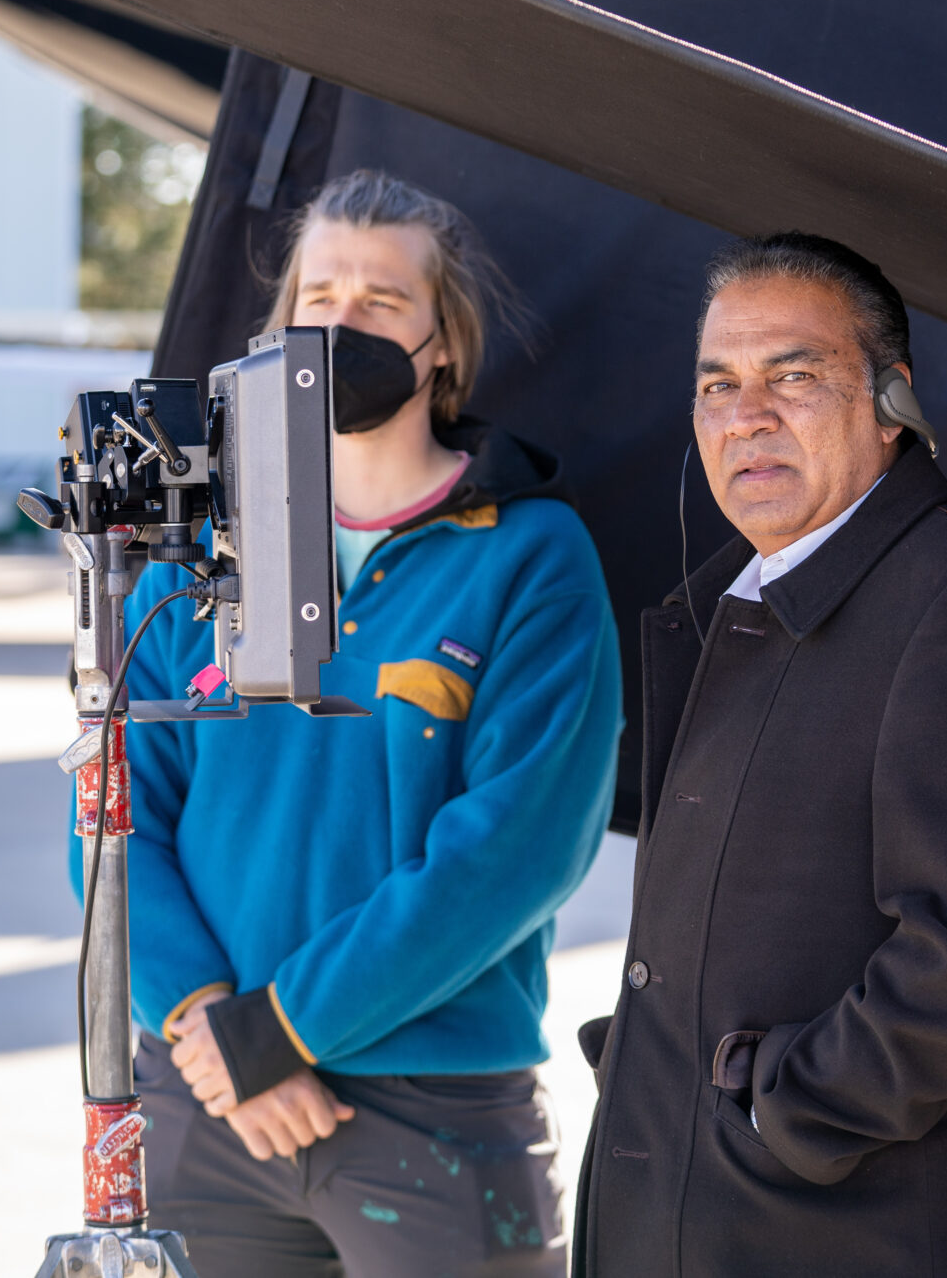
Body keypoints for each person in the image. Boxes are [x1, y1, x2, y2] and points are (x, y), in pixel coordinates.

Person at [108, 170, 622, 1276]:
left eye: (382, 301)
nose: (341, 325)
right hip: (207, 1098)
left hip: (433, 1108)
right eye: (319, 296)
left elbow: (515, 854)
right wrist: (206, 1024)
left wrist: (279, 1030)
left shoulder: (531, 558)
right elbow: (111, 816)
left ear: (442, 344)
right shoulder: (195, 555)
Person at [575, 234, 947, 1276]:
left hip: (841, 1236)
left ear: (890, 401)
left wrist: (782, 1114)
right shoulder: (737, 599)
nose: (746, 415)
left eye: (794, 376)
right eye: (717, 385)